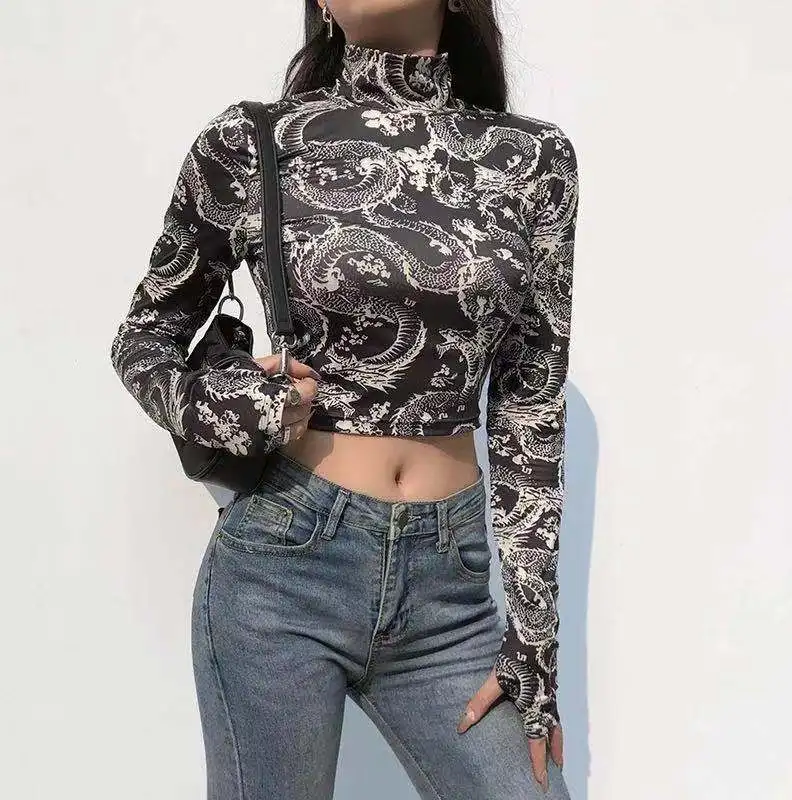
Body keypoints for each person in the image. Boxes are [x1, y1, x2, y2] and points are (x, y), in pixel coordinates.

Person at [109, 0, 579, 797]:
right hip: (282, 573)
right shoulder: (253, 141)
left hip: (450, 592)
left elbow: (530, 400)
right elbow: (145, 337)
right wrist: (232, 405)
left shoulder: (533, 160)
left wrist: (533, 637)